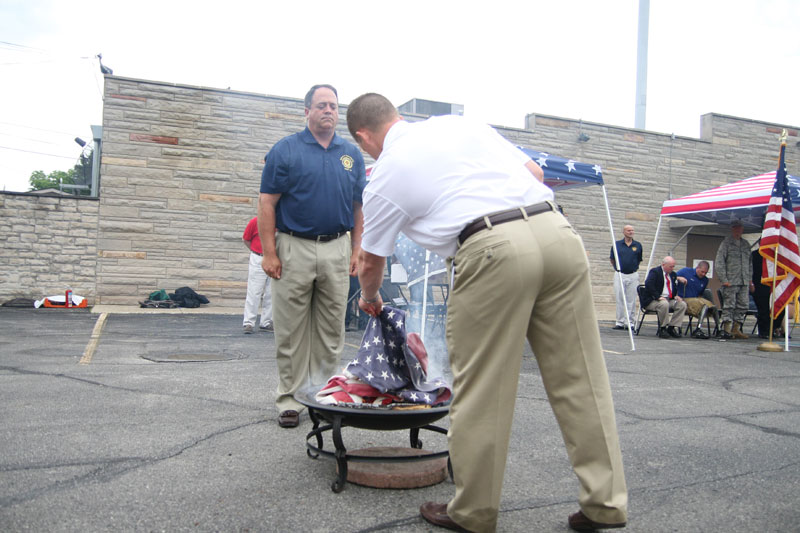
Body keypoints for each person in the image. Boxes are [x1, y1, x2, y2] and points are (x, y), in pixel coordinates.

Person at [347, 93, 627, 533]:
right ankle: (605, 503)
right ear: (397, 116)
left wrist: (371, 299)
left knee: (483, 387)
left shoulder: (385, 173)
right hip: (557, 234)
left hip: (490, 249)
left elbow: (370, 261)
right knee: (582, 378)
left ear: (364, 136)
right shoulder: (458, 126)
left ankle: (474, 511)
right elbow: (534, 172)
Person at [258, 84, 366, 429]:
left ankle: (322, 396)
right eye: (321, 105)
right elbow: (267, 203)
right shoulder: (286, 151)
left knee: (331, 328)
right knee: (291, 330)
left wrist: (357, 249)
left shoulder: (350, 154)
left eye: (333, 106)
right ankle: (290, 399)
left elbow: (359, 207)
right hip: (294, 248)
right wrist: (270, 253)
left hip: (337, 246)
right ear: (306, 111)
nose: (328, 111)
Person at [715, 221, 754, 339]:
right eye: (736, 229)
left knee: (743, 305)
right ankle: (726, 329)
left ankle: (736, 329)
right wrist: (723, 279)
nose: (738, 231)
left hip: (744, 281)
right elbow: (719, 262)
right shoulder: (726, 243)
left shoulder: (746, 244)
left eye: (740, 229)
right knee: (729, 305)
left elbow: (750, 264)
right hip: (730, 281)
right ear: (732, 229)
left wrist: (750, 281)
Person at [640, 256, 688, 339]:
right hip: (653, 300)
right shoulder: (655, 272)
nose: (672, 268)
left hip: (669, 299)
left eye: (673, 266)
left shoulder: (673, 274)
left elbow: (673, 287)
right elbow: (649, 284)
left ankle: (672, 327)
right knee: (664, 304)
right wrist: (658, 296)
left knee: (682, 304)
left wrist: (675, 296)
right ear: (663, 264)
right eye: (670, 266)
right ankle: (663, 328)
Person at [241, 216, 273, 334]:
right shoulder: (255, 221)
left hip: (274, 259)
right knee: (254, 291)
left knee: (271, 292)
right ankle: (249, 322)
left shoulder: (280, 223)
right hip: (258, 257)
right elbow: (246, 239)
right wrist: (256, 252)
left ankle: (266, 322)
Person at [610, 225, 643, 330]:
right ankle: (620, 322)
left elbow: (639, 259)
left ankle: (630, 322)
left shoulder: (637, 245)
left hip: (633, 274)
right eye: (629, 230)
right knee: (620, 298)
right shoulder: (617, 244)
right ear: (623, 232)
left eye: (632, 230)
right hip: (620, 274)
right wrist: (617, 268)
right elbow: (612, 259)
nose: (631, 232)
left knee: (631, 299)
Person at [674, 261, 718, 339]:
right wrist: (678, 278)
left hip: (696, 299)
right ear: (697, 268)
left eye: (706, 273)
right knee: (702, 305)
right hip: (684, 298)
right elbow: (671, 277)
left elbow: (700, 293)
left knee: (712, 306)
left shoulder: (705, 280)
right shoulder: (685, 271)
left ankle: (718, 329)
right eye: (702, 272)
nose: (703, 274)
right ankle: (698, 328)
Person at [751, 247, 785, 339]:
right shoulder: (755, 254)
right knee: (764, 310)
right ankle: (763, 331)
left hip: (774, 286)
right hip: (759, 286)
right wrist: (751, 283)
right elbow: (750, 271)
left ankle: (773, 328)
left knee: (779, 309)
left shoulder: (777, 254)